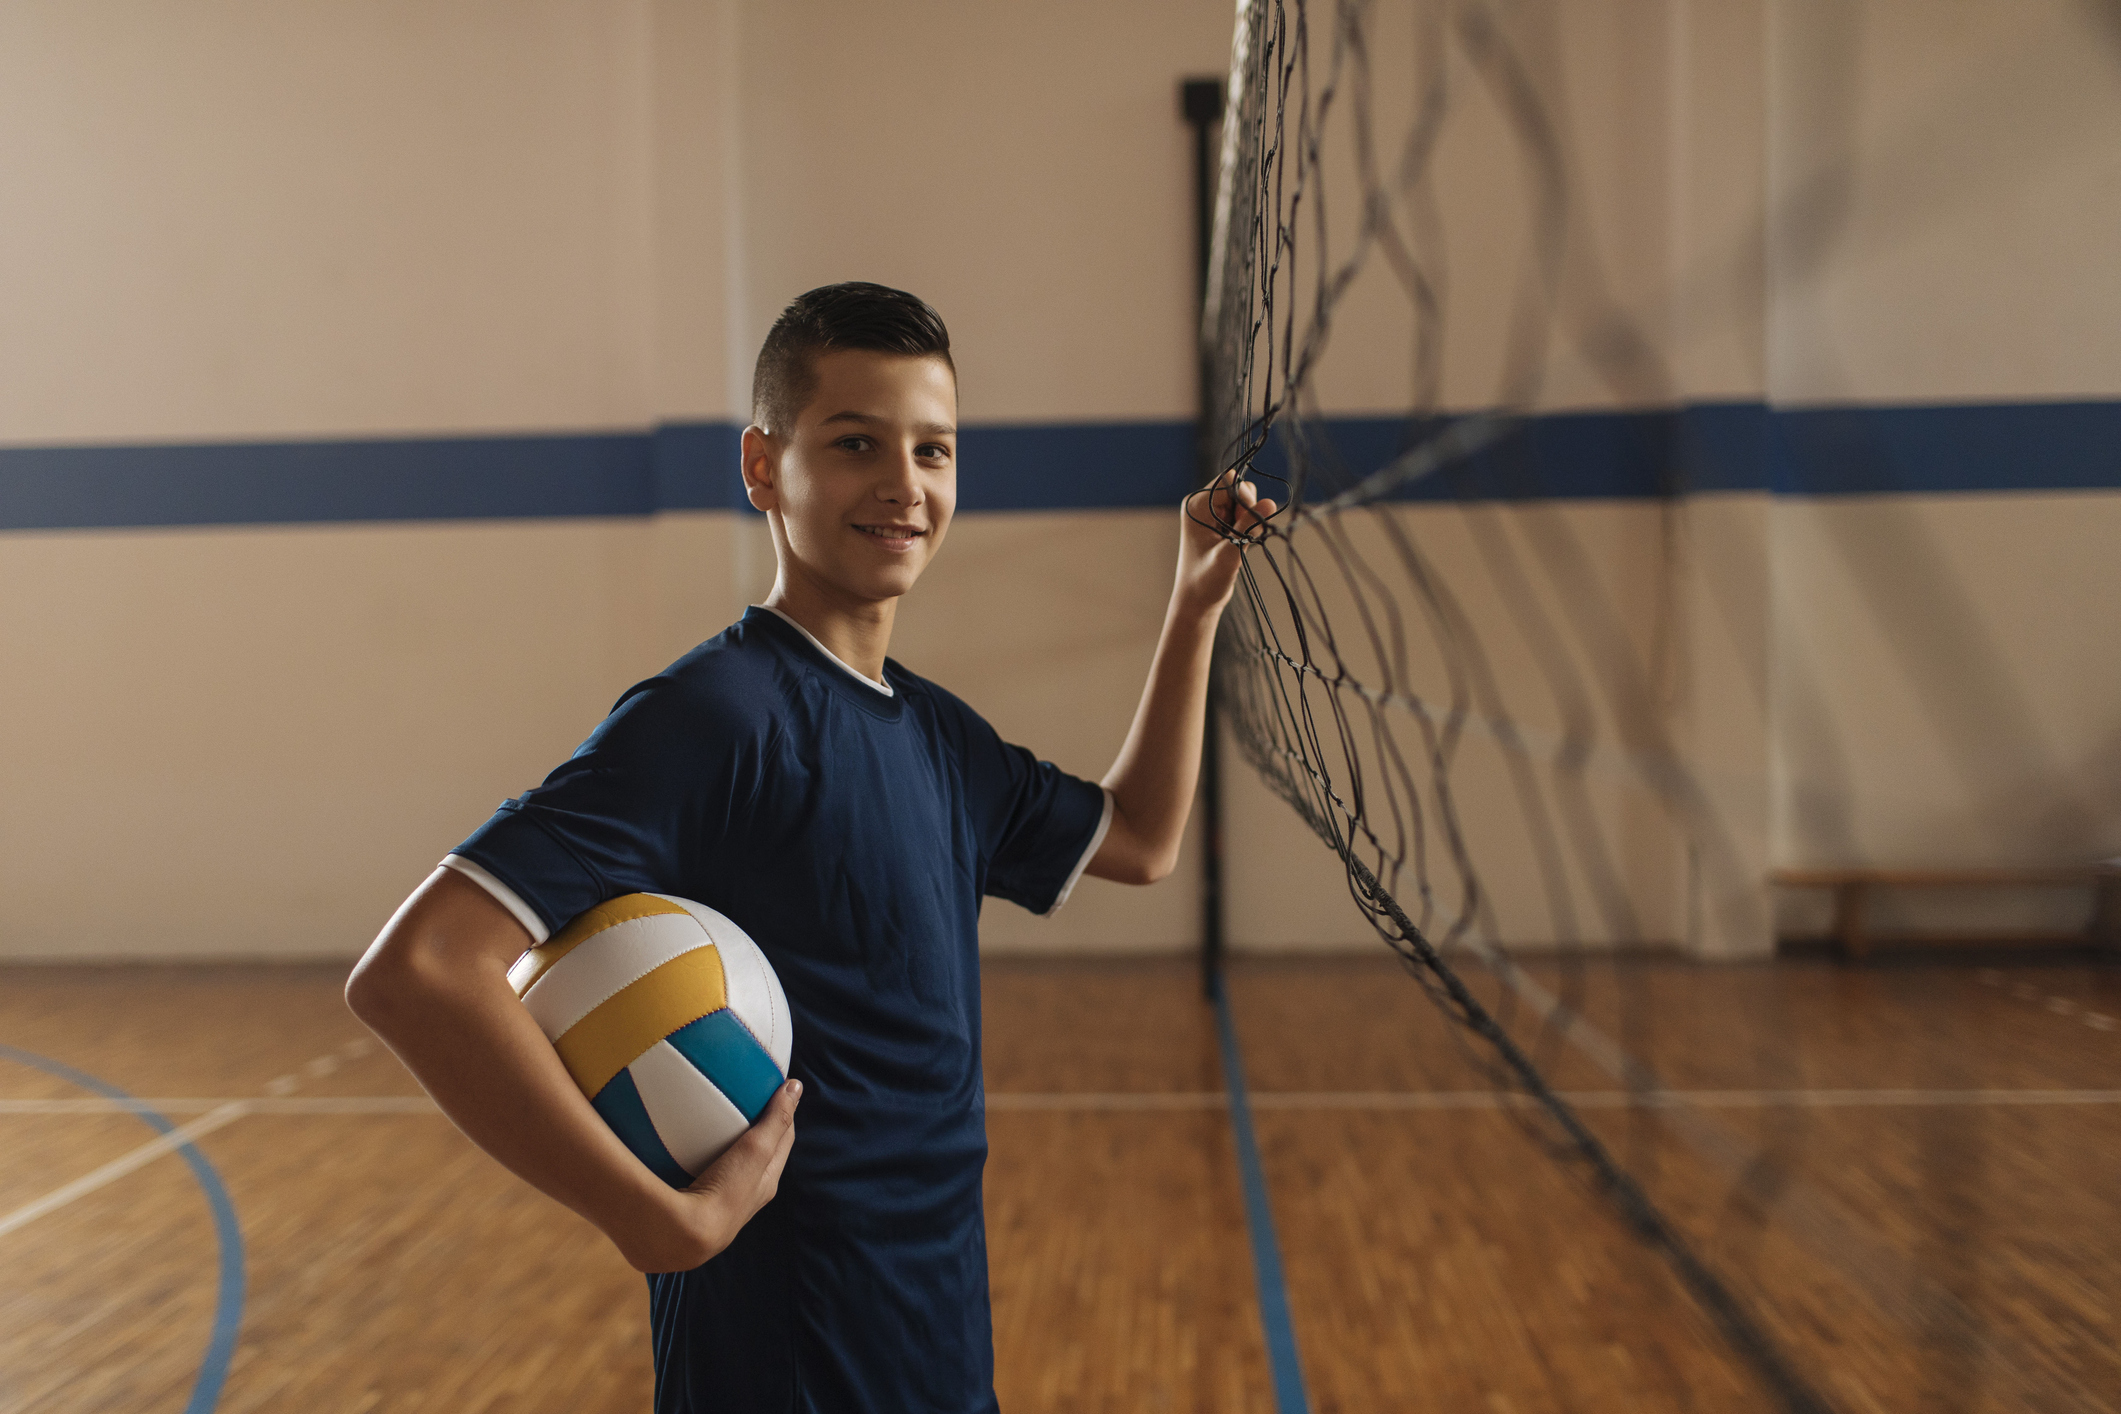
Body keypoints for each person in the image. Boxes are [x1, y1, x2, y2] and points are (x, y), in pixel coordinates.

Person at [346, 281, 1276, 1412]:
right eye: (855, 444)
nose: (903, 485)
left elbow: (1138, 837)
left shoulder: (936, 732)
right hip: (781, 1364)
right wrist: (652, 1217)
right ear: (762, 467)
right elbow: (421, 972)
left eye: (932, 450)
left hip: (935, 1343)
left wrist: (1193, 604)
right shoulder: (717, 714)